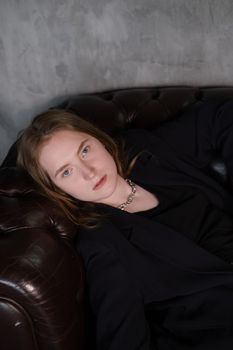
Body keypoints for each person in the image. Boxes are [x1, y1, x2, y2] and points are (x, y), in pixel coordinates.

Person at [16, 99, 233, 350]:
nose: (89, 172)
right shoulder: (101, 247)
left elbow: (221, 113)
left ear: (99, 140)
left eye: (85, 150)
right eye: (66, 172)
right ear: (56, 190)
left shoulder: (146, 149)